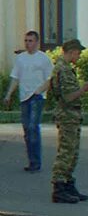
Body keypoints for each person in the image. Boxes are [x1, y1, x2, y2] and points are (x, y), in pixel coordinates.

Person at [48, 38, 88, 204]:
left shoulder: (66, 68)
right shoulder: (63, 70)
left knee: (72, 153)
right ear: (72, 51)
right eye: (78, 52)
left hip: (72, 116)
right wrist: (83, 90)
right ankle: (59, 187)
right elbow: (67, 97)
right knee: (66, 152)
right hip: (67, 115)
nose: (79, 55)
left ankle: (67, 184)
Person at [5, 30, 53, 173]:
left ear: (37, 42)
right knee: (27, 129)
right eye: (26, 41)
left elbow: (50, 79)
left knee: (33, 127)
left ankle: (36, 162)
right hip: (24, 97)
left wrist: (40, 90)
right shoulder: (21, 59)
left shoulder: (44, 59)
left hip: (37, 96)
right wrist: (8, 94)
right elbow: (15, 77)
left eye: (30, 41)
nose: (28, 44)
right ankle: (31, 160)